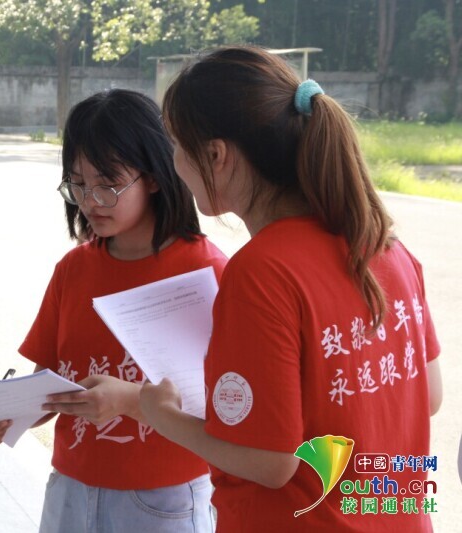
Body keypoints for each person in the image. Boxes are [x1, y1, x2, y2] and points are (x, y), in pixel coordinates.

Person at [139, 46, 443, 532]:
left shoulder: (263, 272)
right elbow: (429, 395)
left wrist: (158, 414)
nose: (174, 161)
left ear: (216, 155)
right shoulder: (386, 246)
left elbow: (269, 462)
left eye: (176, 143)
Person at [0, 89, 227, 533]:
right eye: (78, 184)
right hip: (71, 489)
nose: (90, 201)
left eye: (108, 183)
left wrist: (129, 401)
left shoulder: (206, 272)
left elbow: (226, 406)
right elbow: (50, 383)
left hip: (164, 497)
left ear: (154, 176)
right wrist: (9, 414)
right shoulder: (74, 269)